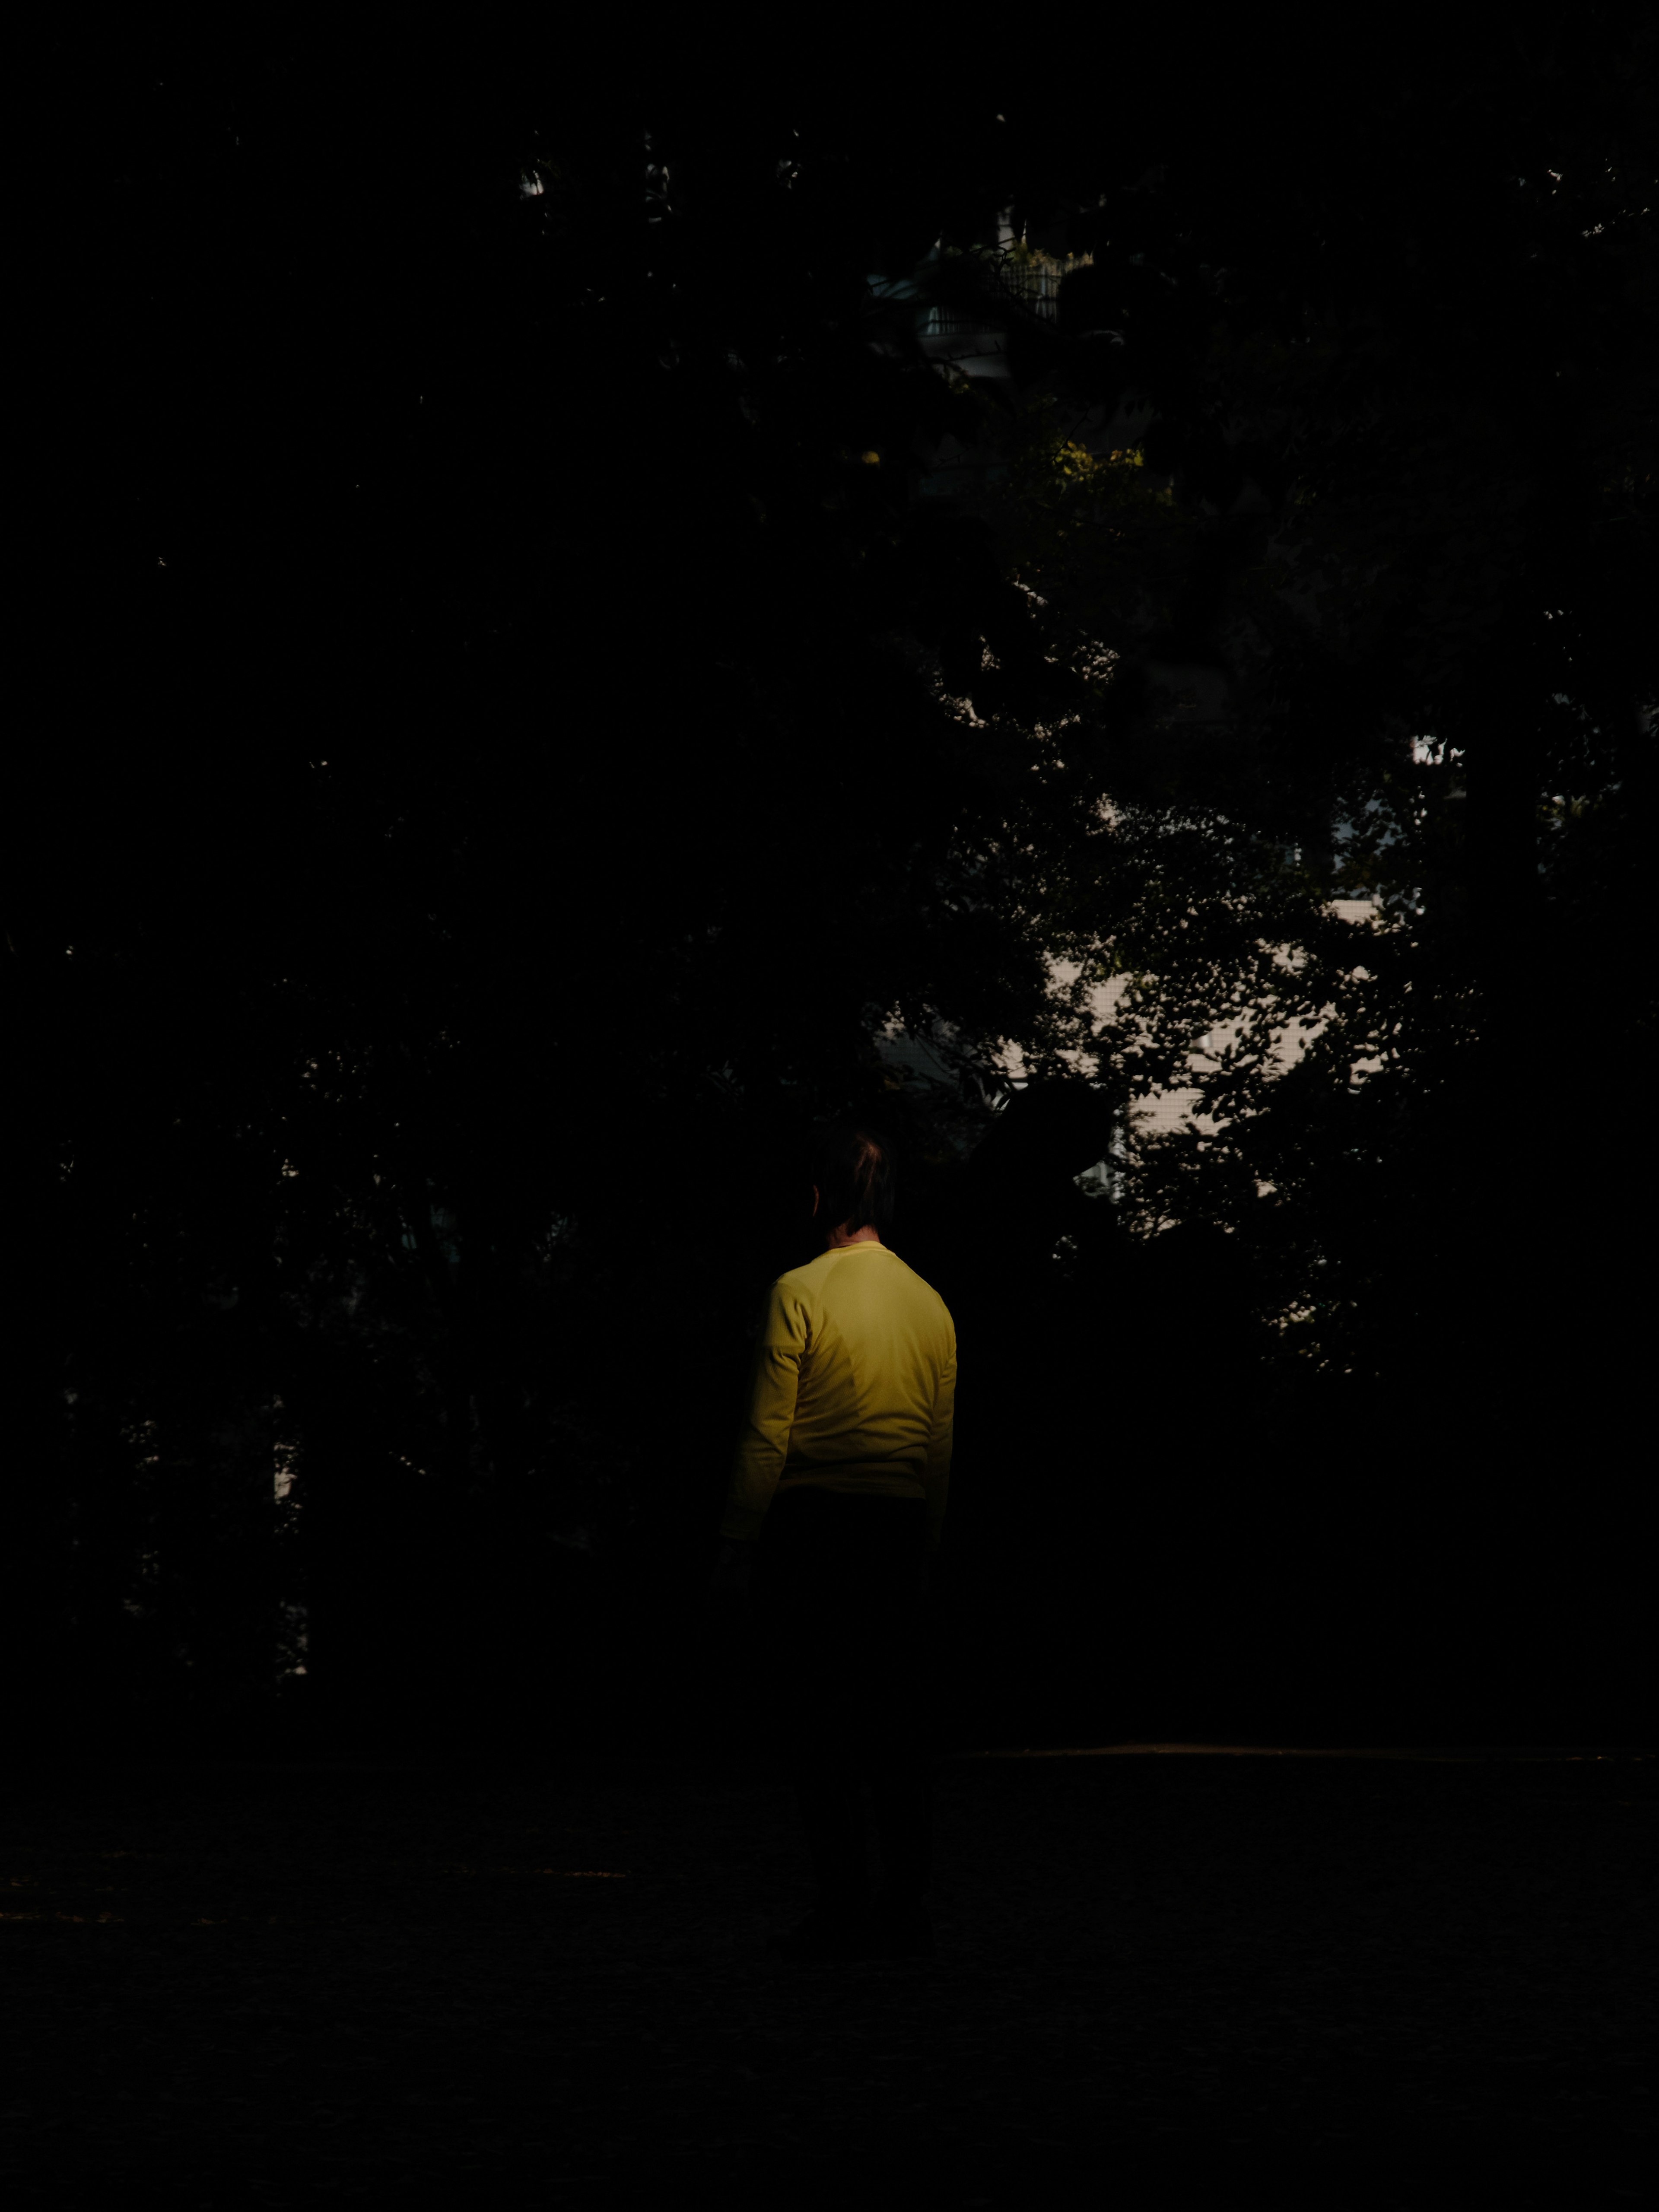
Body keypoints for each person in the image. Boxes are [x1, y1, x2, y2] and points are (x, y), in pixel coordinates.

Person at [707, 1122, 956, 1961]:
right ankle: (907, 1908)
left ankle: (842, 1904)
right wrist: (927, 1547)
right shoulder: (933, 1307)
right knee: (896, 1728)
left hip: (812, 1531)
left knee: (819, 1726)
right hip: (892, 1531)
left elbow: (765, 1435)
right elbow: (938, 1450)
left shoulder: (797, 1292)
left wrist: (739, 1539)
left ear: (818, 1197)